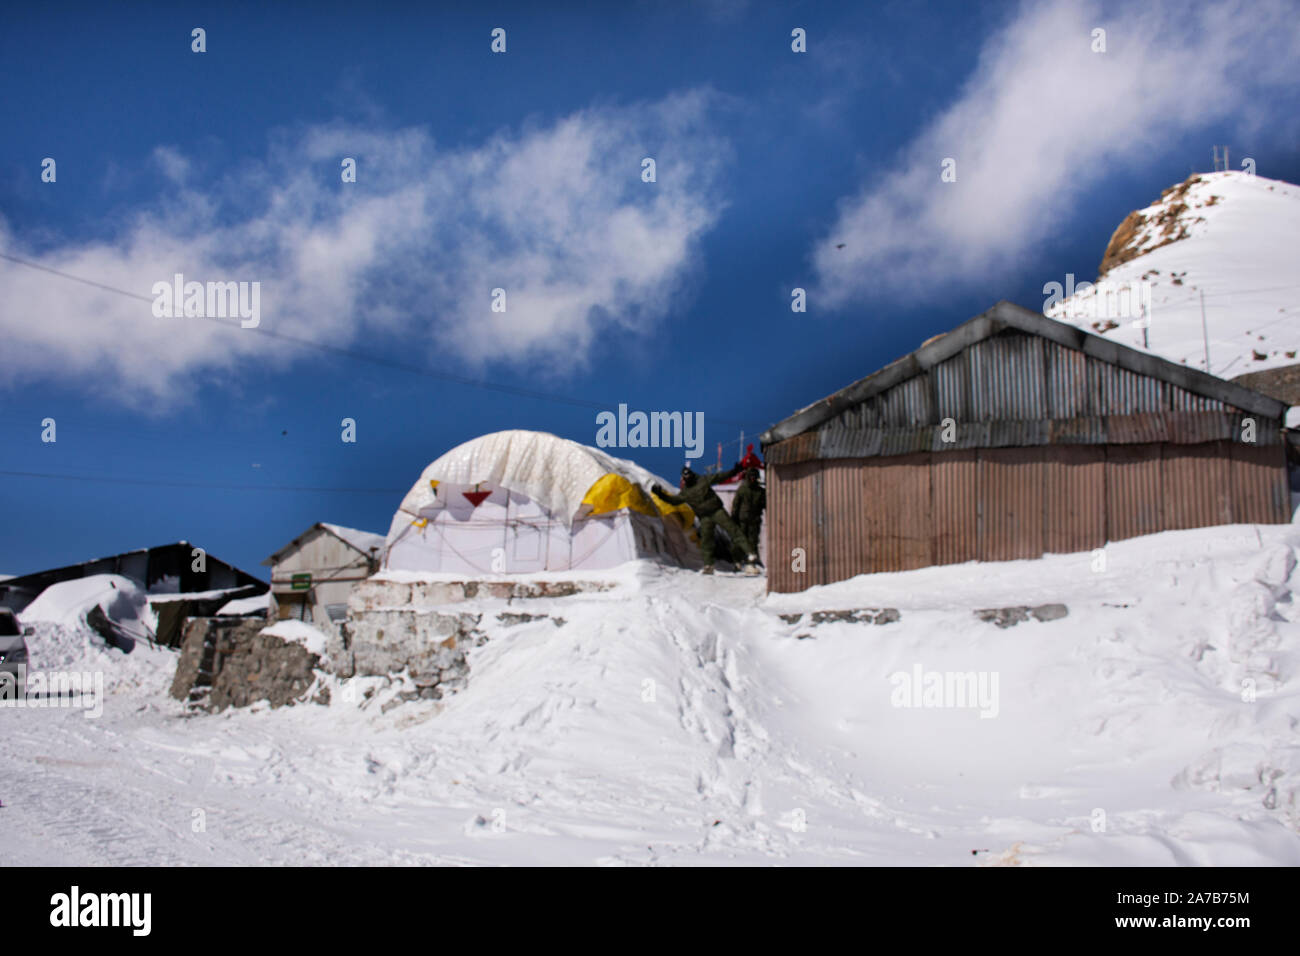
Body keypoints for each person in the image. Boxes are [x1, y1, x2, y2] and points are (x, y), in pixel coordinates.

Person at [651, 465, 758, 574]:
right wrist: (660, 494)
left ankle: (750, 552)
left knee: (733, 530)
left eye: (689, 475)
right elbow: (674, 501)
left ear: (692, 475)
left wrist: (734, 471)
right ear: (684, 478)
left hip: (717, 511)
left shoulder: (702, 480)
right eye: (686, 476)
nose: (688, 478)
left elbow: (720, 477)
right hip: (704, 517)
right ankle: (708, 565)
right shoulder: (685, 493)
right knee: (706, 540)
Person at [730, 467, 765, 566]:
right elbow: (736, 504)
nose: (753, 478)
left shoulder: (760, 491)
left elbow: (765, 504)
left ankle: (751, 562)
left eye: (754, 476)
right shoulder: (742, 489)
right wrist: (734, 518)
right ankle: (737, 562)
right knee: (739, 541)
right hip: (742, 520)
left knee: (753, 542)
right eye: (751, 476)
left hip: (754, 521)